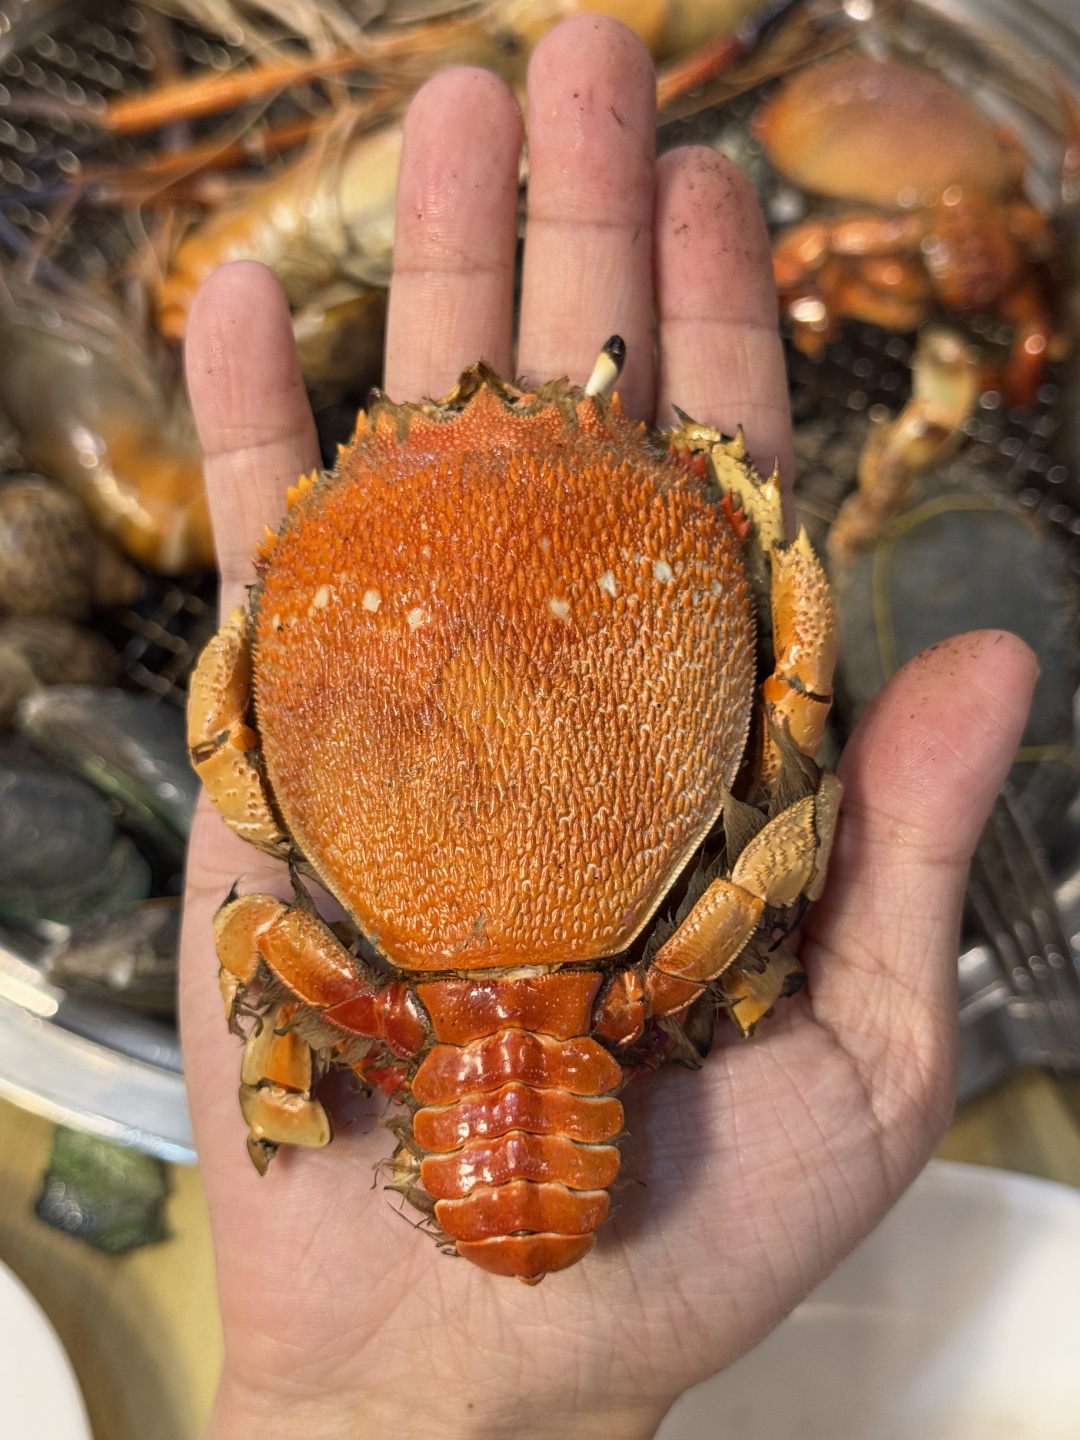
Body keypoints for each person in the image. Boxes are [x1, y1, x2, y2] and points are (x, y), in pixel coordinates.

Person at [179, 16, 1035, 1439]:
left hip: (468, 1058)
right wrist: (717, 494)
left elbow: (236, 806)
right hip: (605, 1024)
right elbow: (787, 745)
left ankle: (280, 1100)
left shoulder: (338, 930)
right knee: (771, 760)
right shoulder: (665, 985)